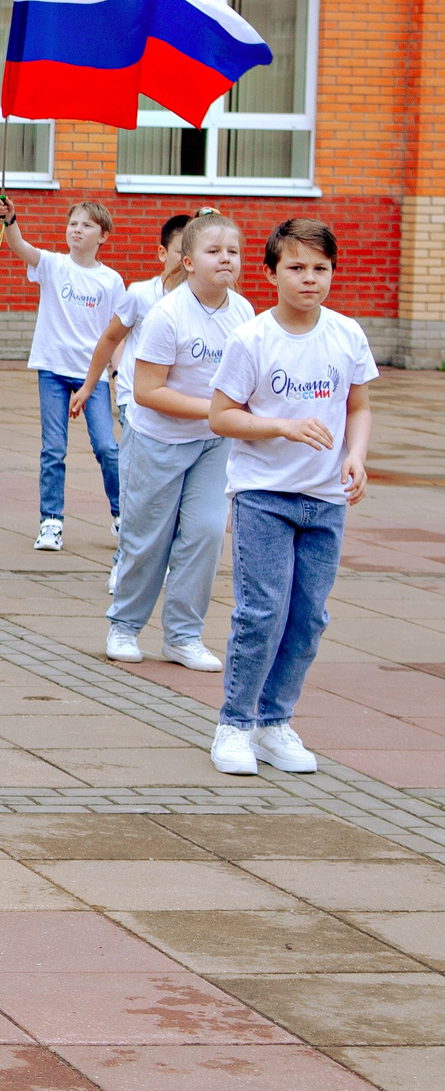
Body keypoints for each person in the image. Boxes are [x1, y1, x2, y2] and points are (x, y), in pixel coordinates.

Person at [205, 218, 376, 777]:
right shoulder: (251, 339)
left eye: (320, 268)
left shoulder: (347, 334)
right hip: (264, 496)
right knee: (262, 611)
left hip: (325, 501)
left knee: (309, 617)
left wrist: (355, 456)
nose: (310, 279)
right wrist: (281, 426)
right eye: (296, 268)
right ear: (271, 272)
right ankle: (233, 725)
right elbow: (221, 416)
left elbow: (358, 407)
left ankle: (274, 723)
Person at [107, 211, 247, 671]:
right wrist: (217, 412)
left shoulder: (243, 313)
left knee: (205, 534)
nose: (225, 259)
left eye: (232, 251)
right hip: (157, 441)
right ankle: (124, 626)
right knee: (148, 537)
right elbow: (147, 392)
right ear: (187, 262)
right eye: (213, 251)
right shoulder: (168, 313)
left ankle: (183, 636)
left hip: (214, 444)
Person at [0, 199, 126, 552]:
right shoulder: (53, 265)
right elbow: (19, 246)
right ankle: (50, 521)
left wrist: (116, 374)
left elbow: (116, 333)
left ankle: (122, 515)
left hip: (93, 375)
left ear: (103, 236)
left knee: (107, 447)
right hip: (53, 370)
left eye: (86, 225)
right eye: (73, 223)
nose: (77, 230)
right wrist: (11, 219)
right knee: (53, 448)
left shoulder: (111, 280)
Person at [75, 213, 192, 591]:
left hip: (185, 411)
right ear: (163, 253)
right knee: (139, 489)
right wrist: (90, 387)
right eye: (181, 252)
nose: (189, 262)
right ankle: (123, 564)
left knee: (179, 496)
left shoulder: (210, 302)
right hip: (137, 403)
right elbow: (109, 340)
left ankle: (170, 564)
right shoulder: (141, 294)